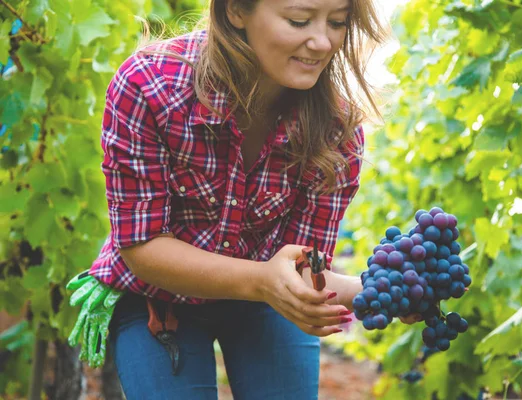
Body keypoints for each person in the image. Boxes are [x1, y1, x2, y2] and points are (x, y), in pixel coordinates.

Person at [67, 0, 391, 398]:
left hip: (266, 300)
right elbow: (142, 245)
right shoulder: (150, 86)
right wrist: (265, 281)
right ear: (236, 10)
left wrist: (381, 290)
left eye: (338, 22)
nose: (323, 42)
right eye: (299, 20)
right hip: (158, 295)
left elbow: (304, 269)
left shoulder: (335, 132)